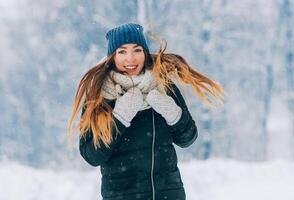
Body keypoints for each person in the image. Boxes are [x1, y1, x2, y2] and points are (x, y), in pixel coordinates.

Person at [68, 23, 225, 200]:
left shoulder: (163, 86)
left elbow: (188, 138)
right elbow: (92, 155)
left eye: (137, 50)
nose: (131, 58)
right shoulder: (100, 96)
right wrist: (119, 118)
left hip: (169, 194)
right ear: (112, 57)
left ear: (144, 52)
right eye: (122, 52)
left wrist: (173, 113)